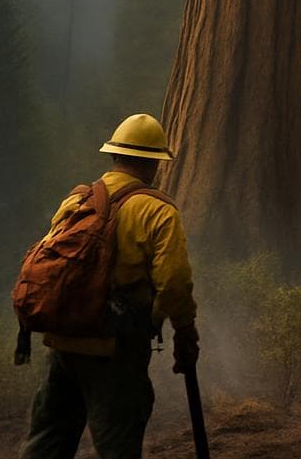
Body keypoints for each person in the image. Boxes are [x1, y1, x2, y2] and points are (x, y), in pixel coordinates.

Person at [19, 113, 198, 459]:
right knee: (118, 441)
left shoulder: (77, 200)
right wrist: (184, 331)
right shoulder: (157, 211)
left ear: (114, 155)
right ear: (153, 164)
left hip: (63, 340)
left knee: (48, 439)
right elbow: (173, 283)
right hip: (114, 347)